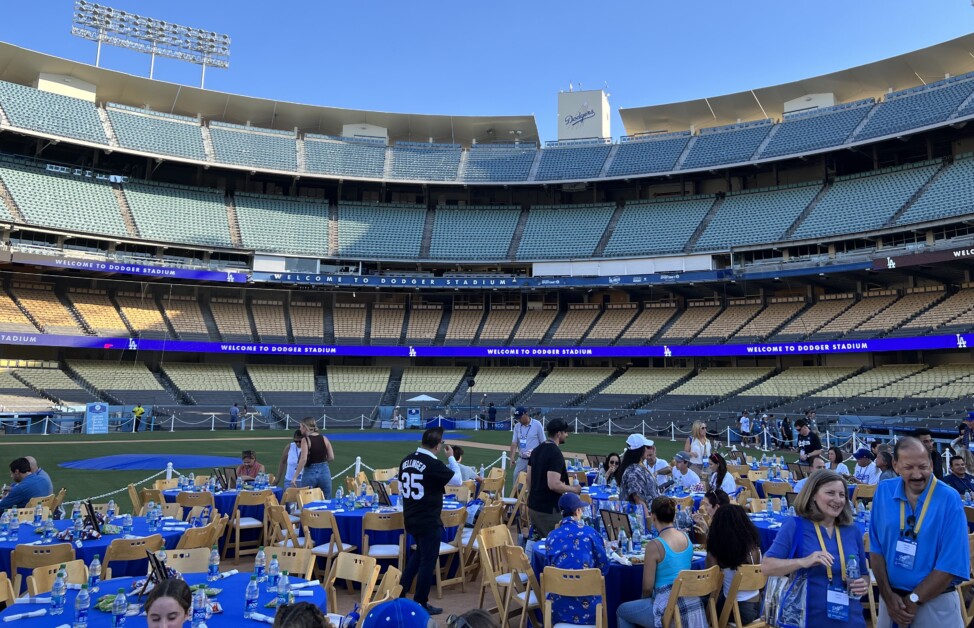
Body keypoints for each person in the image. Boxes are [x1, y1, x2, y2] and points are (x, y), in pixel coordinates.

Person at [869, 436, 969, 627]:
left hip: (934, 604)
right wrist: (888, 596)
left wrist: (913, 600)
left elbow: (951, 564)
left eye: (922, 467)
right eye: (908, 468)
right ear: (896, 466)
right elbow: (876, 549)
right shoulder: (884, 491)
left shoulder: (949, 499)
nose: (917, 474)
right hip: (891, 604)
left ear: (931, 464)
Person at [763, 470, 869, 627]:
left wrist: (863, 585)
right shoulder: (795, 525)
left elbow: (864, 575)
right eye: (830, 493)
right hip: (806, 618)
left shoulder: (852, 530)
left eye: (842, 494)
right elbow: (767, 566)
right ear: (813, 495)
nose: (837, 500)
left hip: (849, 618)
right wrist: (802, 562)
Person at [398, 426, 462, 615]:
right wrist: (451, 457)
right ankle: (420, 601)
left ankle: (401, 591)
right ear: (437, 446)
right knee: (427, 560)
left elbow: (402, 488)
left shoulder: (406, 460)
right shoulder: (433, 463)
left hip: (411, 516)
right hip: (428, 518)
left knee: (419, 556)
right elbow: (457, 480)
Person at [616, 496, 708, 628]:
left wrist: (643, 603)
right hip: (692, 604)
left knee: (622, 611)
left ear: (653, 517)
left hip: (668, 608)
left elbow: (647, 588)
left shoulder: (654, 545)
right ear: (674, 516)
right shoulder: (686, 538)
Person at [545, 492, 610, 626]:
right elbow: (604, 566)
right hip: (590, 610)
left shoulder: (551, 536)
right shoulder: (590, 533)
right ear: (577, 511)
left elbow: (548, 569)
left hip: (558, 609)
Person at [706, 504, 763, 625]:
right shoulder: (755, 549)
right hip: (759, 606)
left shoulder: (718, 552)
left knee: (704, 602)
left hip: (737, 610)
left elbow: (710, 585)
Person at [527, 418, 580, 538]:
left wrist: (533, 498)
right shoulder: (555, 453)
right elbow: (553, 484)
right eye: (565, 432)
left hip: (534, 507)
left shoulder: (536, 450)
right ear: (558, 434)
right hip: (548, 509)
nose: (567, 435)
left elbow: (528, 479)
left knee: (539, 542)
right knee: (555, 544)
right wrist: (574, 489)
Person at [293, 417, 335, 499]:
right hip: (324, 471)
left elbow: (303, 459)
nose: (300, 429)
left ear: (305, 427)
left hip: (310, 472)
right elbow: (331, 457)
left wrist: (295, 477)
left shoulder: (305, 440)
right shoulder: (324, 438)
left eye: (301, 427)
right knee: (326, 499)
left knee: (307, 500)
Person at [619, 434, 659, 517]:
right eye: (647, 447)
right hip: (639, 520)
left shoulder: (637, 467)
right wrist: (648, 522)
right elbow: (639, 501)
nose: (649, 450)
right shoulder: (633, 471)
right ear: (640, 450)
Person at [509, 406, 544, 480]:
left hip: (535, 460)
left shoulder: (537, 425)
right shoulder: (517, 427)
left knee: (534, 482)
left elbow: (543, 442)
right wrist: (512, 457)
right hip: (522, 459)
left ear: (526, 414)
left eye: (520, 417)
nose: (519, 420)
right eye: (517, 418)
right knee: (516, 479)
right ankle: (517, 491)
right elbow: (514, 443)